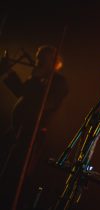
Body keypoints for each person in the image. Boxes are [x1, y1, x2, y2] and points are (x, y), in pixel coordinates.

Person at [0, 45, 68, 209]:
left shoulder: (58, 81)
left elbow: (45, 103)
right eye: (38, 57)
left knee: (17, 174)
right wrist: (8, 72)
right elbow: (22, 91)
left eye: (41, 58)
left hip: (31, 135)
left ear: (52, 61)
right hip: (17, 130)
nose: (37, 62)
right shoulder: (38, 79)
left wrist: (36, 81)